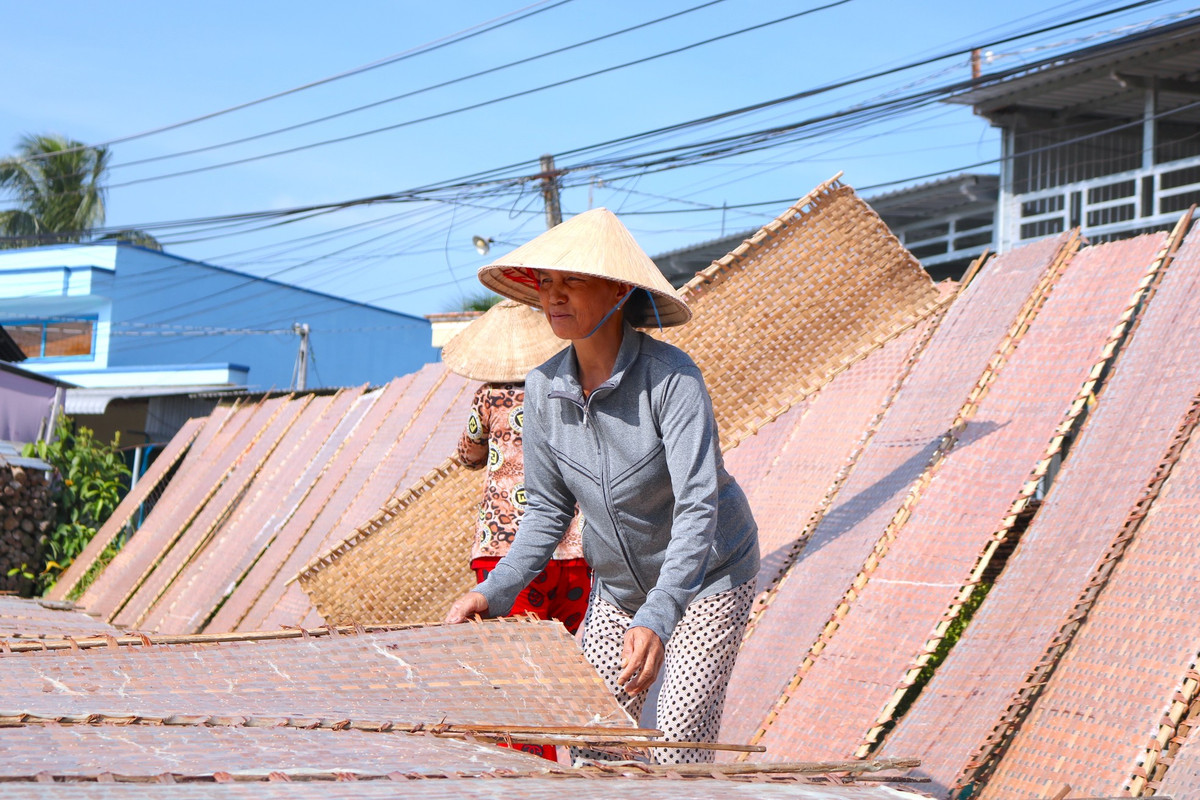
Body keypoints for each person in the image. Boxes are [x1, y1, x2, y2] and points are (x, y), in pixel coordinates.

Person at [445, 208, 760, 764]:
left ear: (616, 290)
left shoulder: (672, 380)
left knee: (676, 737)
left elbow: (697, 507)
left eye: (572, 281)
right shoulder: (543, 388)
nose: (554, 296)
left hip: (709, 574)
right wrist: (492, 592)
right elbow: (545, 511)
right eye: (546, 282)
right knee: (595, 738)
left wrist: (660, 616)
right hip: (618, 588)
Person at [442, 299, 591, 635]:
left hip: (505, 547)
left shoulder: (489, 397)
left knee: (519, 653)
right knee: (560, 652)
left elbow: (468, 455)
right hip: (573, 546)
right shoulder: (571, 389)